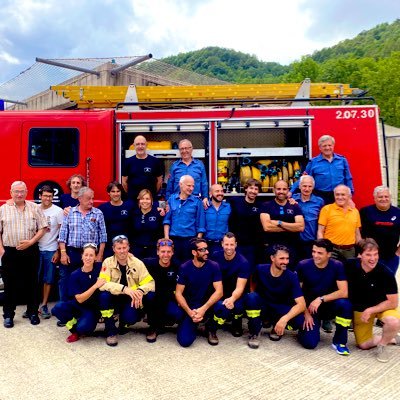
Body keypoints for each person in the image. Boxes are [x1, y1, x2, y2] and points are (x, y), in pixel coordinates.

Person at [0, 181, 48, 328]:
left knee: (32, 283)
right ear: (11, 192)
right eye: (16, 191)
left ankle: (33, 312)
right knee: (10, 285)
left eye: (22, 191)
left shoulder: (34, 207)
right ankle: (8, 315)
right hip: (10, 252)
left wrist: (31, 242)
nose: (19, 194)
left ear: (27, 192)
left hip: (30, 251)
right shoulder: (3, 209)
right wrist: (2, 250)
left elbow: (43, 227)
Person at [244, 245, 310, 349]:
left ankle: (276, 327)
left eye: (287, 258)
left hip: (279, 308)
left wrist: (284, 319)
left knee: (299, 320)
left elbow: (301, 305)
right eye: (282, 258)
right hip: (264, 306)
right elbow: (252, 281)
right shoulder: (260, 269)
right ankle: (255, 332)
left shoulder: (291, 276)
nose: (285, 262)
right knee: (251, 298)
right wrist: (254, 294)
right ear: (272, 258)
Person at [346, 238, 400, 363]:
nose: (373, 258)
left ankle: (383, 345)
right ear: (359, 255)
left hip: (382, 307)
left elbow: (393, 302)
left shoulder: (386, 273)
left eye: (376, 254)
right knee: (363, 345)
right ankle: (393, 338)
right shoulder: (349, 265)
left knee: (394, 321)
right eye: (368, 255)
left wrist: (371, 310)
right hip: (360, 310)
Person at [296, 239, 352, 355]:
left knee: (345, 305)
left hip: (329, 306)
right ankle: (302, 328)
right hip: (310, 308)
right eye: (314, 251)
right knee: (310, 344)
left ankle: (339, 342)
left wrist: (321, 299)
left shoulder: (337, 266)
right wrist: (305, 313)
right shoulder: (303, 265)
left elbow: (344, 292)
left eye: (319, 253)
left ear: (329, 254)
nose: (315, 255)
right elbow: (297, 293)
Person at [98, 235, 155, 346]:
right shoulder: (107, 262)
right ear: (114, 249)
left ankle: (126, 323)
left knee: (132, 316)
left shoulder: (137, 263)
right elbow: (102, 284)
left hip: (131, 298)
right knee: (103, 296)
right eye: (119, 248)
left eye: (124, 247)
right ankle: (110, 331)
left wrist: (140, 291)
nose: (122, 251)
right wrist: (123, 289)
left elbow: (150, 283)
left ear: (129, 247)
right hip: (114, 298)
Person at [58, 187, 107, 302]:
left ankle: (90, 310)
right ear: (80, 199)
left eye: (92, 198)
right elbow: (63, 234)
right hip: (73, 253)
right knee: (67, 281)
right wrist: (63, 253)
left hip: (91, 255)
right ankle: (67, 311)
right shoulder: (70, 213)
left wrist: (99, 255)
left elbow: (103, 236)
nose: (91, 201)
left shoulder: (98, 213)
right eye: (88, 199)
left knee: (90, 282)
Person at [51, 243, 105, 343]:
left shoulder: (100, 268)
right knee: (57, 308)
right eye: (86, 255)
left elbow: (115, 261)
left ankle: (84, 324)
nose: (88, 258)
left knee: (84, 329)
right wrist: (95, 286)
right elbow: (79, 299)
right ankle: (73, 330)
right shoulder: (75, 275)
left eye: (91, 255)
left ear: (95, 257)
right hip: (77, 305)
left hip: (91, 309)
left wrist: (129, 255)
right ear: (82, 256)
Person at [175, 238, 223, 347]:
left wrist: (203, 309)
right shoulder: (185, 267)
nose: (207, 252)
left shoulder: (214, 266)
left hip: (207, 306)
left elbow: (219, 292)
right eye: (203, 250)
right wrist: (190, 312)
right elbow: (178, 293)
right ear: (194, 252)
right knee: (185, 341)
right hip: (191, 308)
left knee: (222, 307)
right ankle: (192, 324)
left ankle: (211, 329)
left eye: (207, 249)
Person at [208, 232, 250, 339]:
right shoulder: (215, 256)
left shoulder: (243, 262)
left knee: (239, 306)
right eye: (226, 244)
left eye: (232, 244)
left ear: (236, 244)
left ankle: (237, 322)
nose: (229, 247)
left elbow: (240, 287)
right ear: (222, 244)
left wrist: (232, 299)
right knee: (219, 306)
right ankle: (211, 327)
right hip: (219, 291)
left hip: (235, 294)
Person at [290, 135, 353, 204]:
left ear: (333, 146)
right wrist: (291, 192)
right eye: (324, 146)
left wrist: (350, 196)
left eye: (329, 145)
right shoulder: (313, 162)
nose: (327, 148)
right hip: (320, 197)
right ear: (320, 148)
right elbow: (303, 179)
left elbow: (348, 179)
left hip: (339, 196)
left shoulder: (342, 160)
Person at [143, 238, 183, 343]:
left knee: (178, 314)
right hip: (154, 299)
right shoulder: (148, 264)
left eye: (169, 252)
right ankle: (152, 327)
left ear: (173, 252)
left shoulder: (178, 266)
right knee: (150, 296)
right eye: (163, 251)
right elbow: (133, 262)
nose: (166, 255)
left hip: (170, 297)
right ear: (157, 252)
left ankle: (165, 321)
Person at [260, 180, 304, 267]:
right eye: (278, 189)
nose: (281, 191)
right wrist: (291, 228)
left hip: (291, 248)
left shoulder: (294, 206)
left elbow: (300, 227)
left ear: (288, 190)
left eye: (284, 189)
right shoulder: (266, 205)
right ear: (274, 190)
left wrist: (279, 223)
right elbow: (267, 227)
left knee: (289, 275)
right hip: (272, 248)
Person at [164, 175, 206, 264]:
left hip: (190, 240)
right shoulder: (172, 199)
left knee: (188, 266)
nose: (191, 188)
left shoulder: (197, 202)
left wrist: (197, 242)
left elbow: (201, 224)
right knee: (174, 265)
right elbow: (167, 220)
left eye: (193, 186)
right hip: (174, 239)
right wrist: (167, 238)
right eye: (189, 185)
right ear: (181, 184)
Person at [360, 185, 400, 275]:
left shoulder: (398, 212)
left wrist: (398, 253)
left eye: (386, 196)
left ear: (390, 198)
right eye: (380, 197)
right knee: (370, 282)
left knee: (388, 284)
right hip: (370, 256)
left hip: (391, 257)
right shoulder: (365, 211)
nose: (383, 199)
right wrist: (360, 251)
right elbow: (358, 232)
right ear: (374, 198)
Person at [37, 185, 64, 319]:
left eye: (50, 196)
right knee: (34, 279)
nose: (47, 198)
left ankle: (44, 305)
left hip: (51, 249)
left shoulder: (58, 211)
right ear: (40, 196)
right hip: (35, 249)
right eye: (45, 195)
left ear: (53, 197)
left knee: (48, 279)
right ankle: (33, 306)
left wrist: (58, 251)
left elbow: (62, 233)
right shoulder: (34, 209)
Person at [317, 184, 361, 261]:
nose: (340, 197)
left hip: (349, 251)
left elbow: (357, 234)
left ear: (349, 196)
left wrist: (361, 251)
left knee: (349, 272)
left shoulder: (355, 212)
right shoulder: (326, 209)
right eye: (337, 194)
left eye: (343, 195)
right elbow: (320, 232)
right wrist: (322, 249)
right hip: (332, 250)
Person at [229, 178, 264, 271]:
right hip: (238, 244)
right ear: (246, 189)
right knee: (237, 269)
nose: (253, 191)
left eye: (256, 189)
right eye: (251, 188)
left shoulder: (261, 206)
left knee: (252, 270)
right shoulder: (235, 202)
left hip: (254, 246)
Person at [166, 139, 209, 207]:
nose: (184, 151)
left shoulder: (200, 165)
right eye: (181, 149)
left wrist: (205, 197)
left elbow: (204, 183)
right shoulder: (174, 166)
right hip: (177, 202)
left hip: (195, 201)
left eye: (186, 148)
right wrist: (168, 201)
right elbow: (170, 184)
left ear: (191, 149)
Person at [98, 181, 135, 259]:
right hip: (109, 246)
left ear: (121, 192)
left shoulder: (129, 206)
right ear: (108, 193)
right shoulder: (102, 208)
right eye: (113, 191)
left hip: (125, 246)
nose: (116, 194)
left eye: (118, 191)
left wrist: (159, 209)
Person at [291, 175, 324, 259]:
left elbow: (322, 222)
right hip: (294, 241)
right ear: (299, 186)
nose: (307, 189)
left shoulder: (319, 202)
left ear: (313, 187)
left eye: (310, 186)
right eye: (304, 186)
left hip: (311, 242)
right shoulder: (291, 200)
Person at [122, 135, 163, 201]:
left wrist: (152, 194)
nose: (140, 146)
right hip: (133, 201)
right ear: (134, 145)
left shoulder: (155, 161)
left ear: (146, 145)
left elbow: (159, 181)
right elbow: (124, 182)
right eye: (137, 144)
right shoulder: (128, 162)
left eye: (142, 144)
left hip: (150, 201)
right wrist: (132, 194)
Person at [131, 189, 164, 259]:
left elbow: (165, 203)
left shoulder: (158, 213)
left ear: (151, 200)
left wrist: (163, 208)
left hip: (153, 250)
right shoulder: (134, 213)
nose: (145, 201)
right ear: (139, 201)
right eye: (142, 199)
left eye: (147, 199)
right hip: (137, 250)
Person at [204, 184, 231, 255]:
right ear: (210, 193)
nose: (220, 193)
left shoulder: (228, 207)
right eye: (217, 191)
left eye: (222, 191)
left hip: (222, 245)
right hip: (207, 244)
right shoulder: (204, 207)